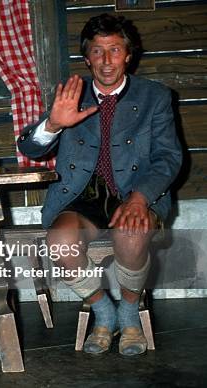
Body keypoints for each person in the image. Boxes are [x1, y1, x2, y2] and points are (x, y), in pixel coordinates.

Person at [17, 14, 182, 356]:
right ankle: (103, 310)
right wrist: (53, 123)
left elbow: (169, 157)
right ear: (87, 56)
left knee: (131, 232)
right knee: (60, 242)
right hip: (82, 194)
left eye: (115, 50)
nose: (107, 61)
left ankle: (129, 312)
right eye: (97, 51)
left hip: (137, 191)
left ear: (128, 54)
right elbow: (31, 148)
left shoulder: (155, 96)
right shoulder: (71, 94)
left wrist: (140, 199)